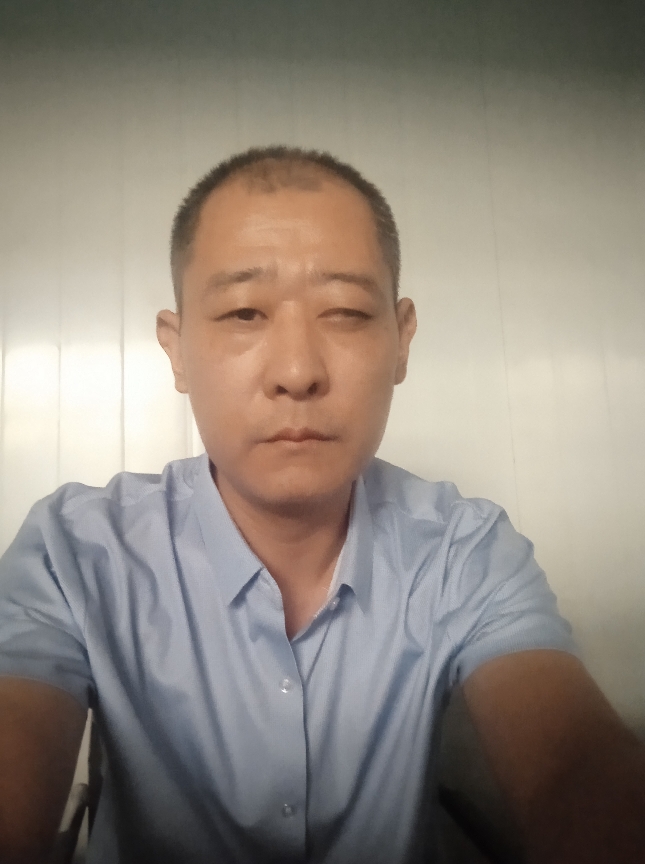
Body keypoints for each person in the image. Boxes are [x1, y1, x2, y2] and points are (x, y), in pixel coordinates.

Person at [0, 146, 644, 864]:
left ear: (401, 340)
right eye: (244, 312)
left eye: (345, 312)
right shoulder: (75, 551)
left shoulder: (464, 550)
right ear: (176, 350)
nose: (297, 371)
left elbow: (573, 769)